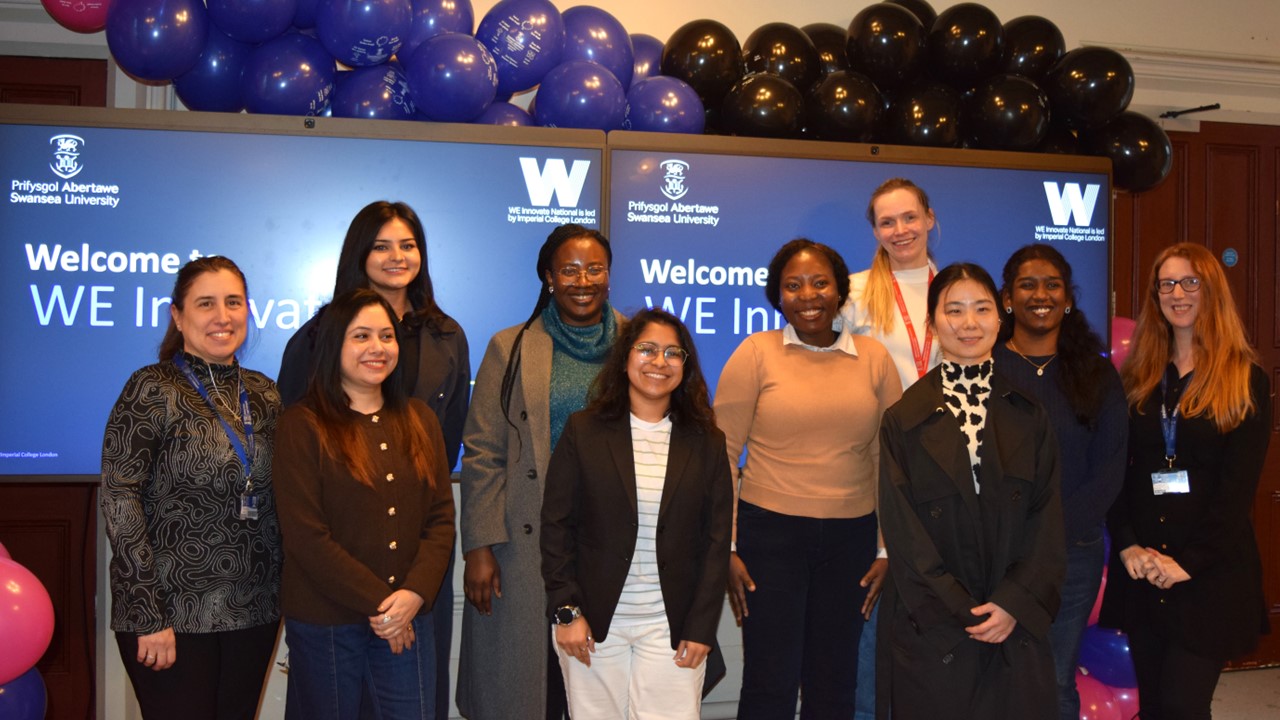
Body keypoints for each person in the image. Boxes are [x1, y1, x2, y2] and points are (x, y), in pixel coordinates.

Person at [278, 201, 469, 719]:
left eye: (407, 244)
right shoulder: (313, 351)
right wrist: (384, 601)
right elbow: (303, 516)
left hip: (412, 576)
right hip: (333, 597)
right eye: (381, 245)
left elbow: (440, 484)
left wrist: (408, 595)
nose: (377, 348)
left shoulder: (445, 337)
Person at [715, 239, 902, 718]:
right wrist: (728, 546)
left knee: (835, 682)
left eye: (820, 282)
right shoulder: (756, 353)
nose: (808, 295)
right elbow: (722, 454)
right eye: (792, 285)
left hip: (852, 540)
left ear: (841, 291)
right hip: (769, 537)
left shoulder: (875, 359)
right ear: (778, 296)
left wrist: (886, 548)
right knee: (768, 682)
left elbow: (893, 462)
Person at [877, 262, 1064, 720]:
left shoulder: (1030, 413)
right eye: (954, 310)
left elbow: (1047, 518)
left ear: (1000, 318)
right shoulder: (904, 417)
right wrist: (961, 610)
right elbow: (903, 532)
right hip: (935, 623)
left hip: (1013, 618)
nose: (969, 323)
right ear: (933, 321)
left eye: (981, 309)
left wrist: (1012, 603)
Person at [101, 256, 282, 720]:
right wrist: (147, 613)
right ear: (178, 316)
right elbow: (120, 499)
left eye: (234, 302)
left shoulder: (265, 394)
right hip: (170, 613)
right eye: (206, 303)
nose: (223, 316)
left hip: (254, 609)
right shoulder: (150, 388)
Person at [457, 224, 623, 719]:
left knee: (602, 681)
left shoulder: (638, 344)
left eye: (595, 268)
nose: (583, 280)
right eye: (569, 269)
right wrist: (480, 545)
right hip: (524, 541)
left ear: (609, 276)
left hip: (612, 542)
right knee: (534, 687)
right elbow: (482, 449)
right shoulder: (510, 347)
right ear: (548, 278)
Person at [1100, 243, 1271, 720]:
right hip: (1145, 568)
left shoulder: (1246, 379)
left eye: (1190, 282)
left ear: (1211, 291)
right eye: (1166, 284)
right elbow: (1117, 468)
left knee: (1183, 704)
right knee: (1155, 706)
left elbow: (1237, 492)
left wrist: (1186, 563)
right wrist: (1129, 545)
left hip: (1207, 574)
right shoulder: (1137, 377)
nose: (1177, 293)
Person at [541, 308, 733, 718]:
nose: (659, 362)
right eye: (647, 349)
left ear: (686, 364)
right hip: (592, 624)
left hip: (672, 628)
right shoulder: (584, 430)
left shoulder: (707, 441)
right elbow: (556, 528)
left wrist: (701, 628)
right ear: (626, 357)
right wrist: (567, 612)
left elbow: (716, 542)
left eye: (672, 352)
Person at [994, 244, 1128, 720]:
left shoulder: (1095, 372)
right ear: (1007, 298)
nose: (1040, 294)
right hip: (997, 553)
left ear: (1068, 298)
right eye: (1027, 284)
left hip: (1073, 554)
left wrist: (1053, 534)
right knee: (996, 676)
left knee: (1053, 678)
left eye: (1052, 284)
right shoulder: (984, 369)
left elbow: (1110, 466)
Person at [841, 177, 944, 719]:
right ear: (875, 230)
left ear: (929, 218)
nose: (900, 230)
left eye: (909, 217)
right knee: (873, 613)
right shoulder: (854, 294)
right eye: (887, 221)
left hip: (949, 471)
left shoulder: (958, 288)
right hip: (878, 467)